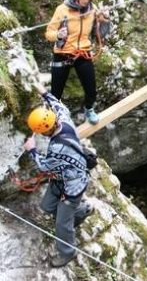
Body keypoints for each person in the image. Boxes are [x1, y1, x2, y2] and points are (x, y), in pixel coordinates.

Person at [23, 82, 93, 267]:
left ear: (45, 130)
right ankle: (82, 211)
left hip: (73, 188)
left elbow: (45, 167)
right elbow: (58, 105)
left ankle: (67, 252)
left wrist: (32, 150)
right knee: (47, 206)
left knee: (62, 224)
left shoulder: (57, 148)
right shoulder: (64, 119)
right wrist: (44, 92)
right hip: (62, 179)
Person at [45, 0, 110, 125]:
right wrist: (58, 35)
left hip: (83, 53)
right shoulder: (62, 10)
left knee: (91, 90)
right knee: (55, 93)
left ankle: (89, 109)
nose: (86, 0)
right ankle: (52, 118)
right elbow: (48, 33)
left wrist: (105, 20)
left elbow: (100, 34)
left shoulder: (92, 10)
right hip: (63, 54)